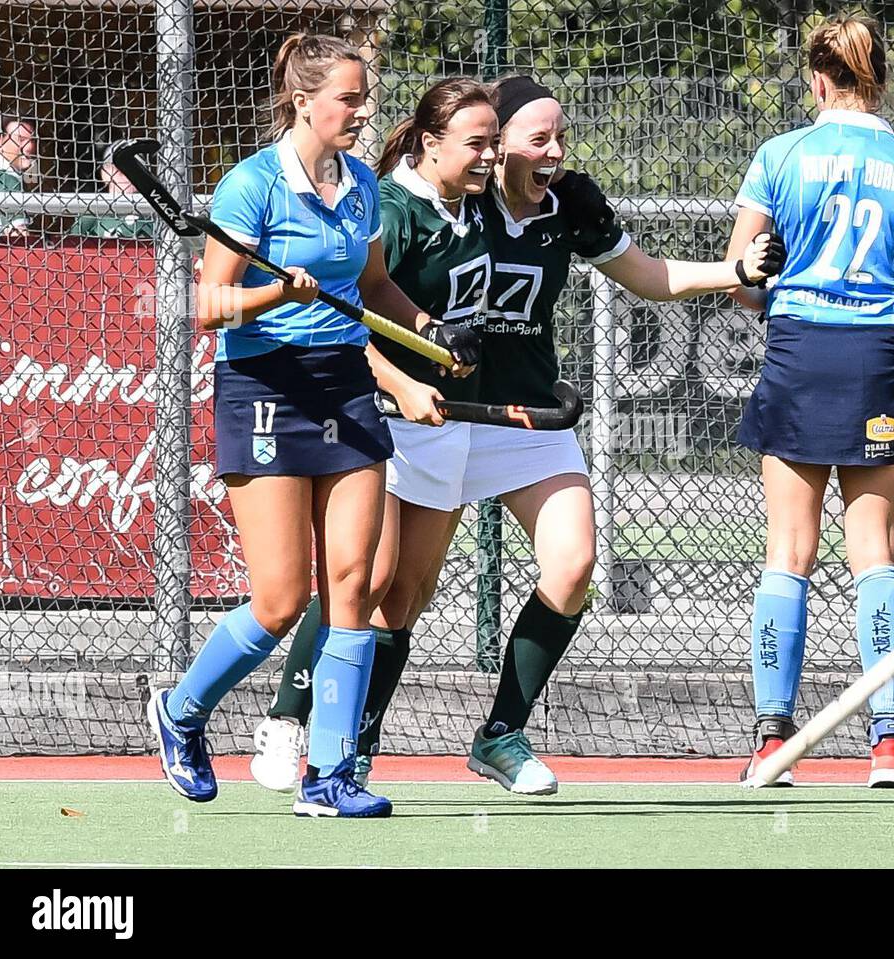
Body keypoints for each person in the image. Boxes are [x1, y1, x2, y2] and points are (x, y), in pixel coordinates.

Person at [250, 73, 784, 796]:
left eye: (561, 136)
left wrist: (733, 271)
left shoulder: (566, 203)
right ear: (491, 147)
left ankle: (500, 732)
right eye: (539, 138)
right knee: (385, 589)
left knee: (573, 565)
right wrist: (398, 378)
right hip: (423, 416)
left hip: (523, 417)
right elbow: (360, 297)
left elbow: (645, 274)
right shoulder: (440, 200)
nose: (556, 151)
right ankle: (319, 731)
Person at [145, 33, 478, 819]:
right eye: (350, 99)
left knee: (351, 586)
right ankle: (182, 714)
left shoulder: (360, 184)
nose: (364, 113)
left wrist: (432, 327)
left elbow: (372, 286)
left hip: (345, 384)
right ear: (304, 100)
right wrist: (272, 297)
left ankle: (329, 776)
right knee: (278, 599)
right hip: (264, 385)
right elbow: (204, 305)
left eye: (365, 99)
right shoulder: (250, 187)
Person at [726, 14, 894, 788]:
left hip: (799, 353)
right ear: (878, 76)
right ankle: (889, 743)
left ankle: (772, 740)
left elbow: (742, 280)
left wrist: (762, 288)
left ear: (816, 79)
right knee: (876, 558)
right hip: (878, 361)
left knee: (788, 552)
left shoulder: (779, 155)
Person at [70, 143, 154, 239]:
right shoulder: (94, 211)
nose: (127, 175)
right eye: (119, 170)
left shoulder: (154, 213)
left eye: (135, 169)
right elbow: (72, 243)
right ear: (104, 174)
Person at [0, 114, 36, 239]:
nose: (29, 146)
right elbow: (19, 239)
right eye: (20, 139)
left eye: (32, 140)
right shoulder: (6, 180)